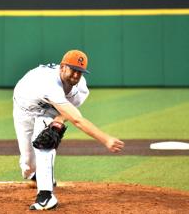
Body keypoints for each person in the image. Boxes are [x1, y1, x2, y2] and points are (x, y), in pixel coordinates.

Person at [13, 49, 125, 211]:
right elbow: (77, 120)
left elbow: (69, 112)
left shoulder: (80, 88)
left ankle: (46, 195)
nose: (76, 75)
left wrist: (59, 119)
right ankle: (36, 175)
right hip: (24, 107)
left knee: (45, 144)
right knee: (29, 163)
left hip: (49, 109)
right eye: (73, 69)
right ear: (63, 67)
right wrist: (105, 139)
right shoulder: (49, 83)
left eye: (80, 72)